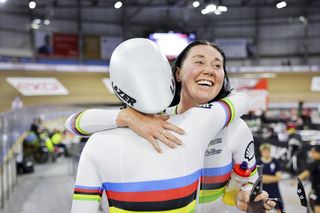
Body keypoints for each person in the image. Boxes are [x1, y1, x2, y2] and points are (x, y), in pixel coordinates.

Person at [67, 40, 276, 212]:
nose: (209, 70)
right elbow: (74, 123)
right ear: (176, 74)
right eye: (199, 62)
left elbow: (247, 181)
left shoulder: (236, 128)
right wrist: (127, 117)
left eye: (217, 65)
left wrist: (244, 197)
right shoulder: (160, 119)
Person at [257, 143, 283, 213]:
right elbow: (260, 179)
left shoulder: (275, 162)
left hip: (274, 190)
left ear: (270, 151)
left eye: (267, 151)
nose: (265, 153)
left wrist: (265, 178)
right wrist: (272, 178)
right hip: (263, 190)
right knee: (264, 208)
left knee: (280, 208)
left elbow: (278, 178)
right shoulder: (258, 163)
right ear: (261, 152)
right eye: (264, 151)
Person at [295, 145, 320, 213]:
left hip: (317, 191)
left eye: (313, 152)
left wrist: (297, 180)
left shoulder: (316, 163)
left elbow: (306, 172)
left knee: (316, 207)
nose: (311, 153)